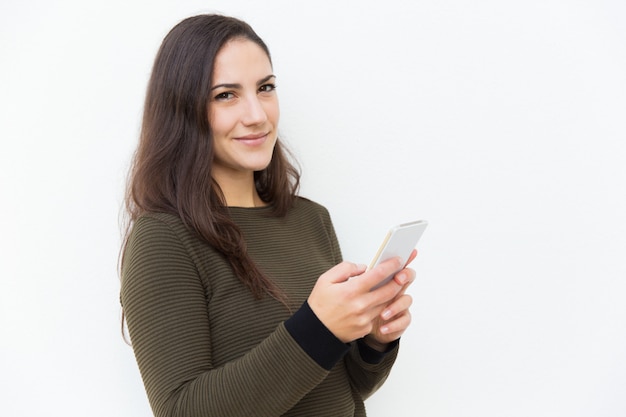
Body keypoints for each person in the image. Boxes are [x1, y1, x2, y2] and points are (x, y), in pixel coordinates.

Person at [120, 14, 417, 417]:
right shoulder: (164, 239)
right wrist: (318, 326)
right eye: (226, 95)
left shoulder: (311, 220)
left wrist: (374, 340)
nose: (257, 114)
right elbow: (180, 409)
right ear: (182, 109)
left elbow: (341, 389)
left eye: (265, 88)